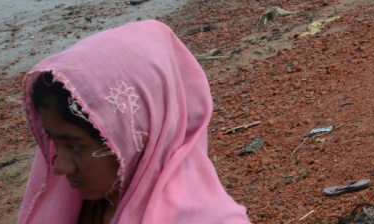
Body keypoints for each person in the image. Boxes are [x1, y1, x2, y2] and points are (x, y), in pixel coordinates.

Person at [17, 21, 251, 224]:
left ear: (134, 139)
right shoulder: (79, 205)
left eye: (75, 146)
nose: (60, 167)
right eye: (54, 142)